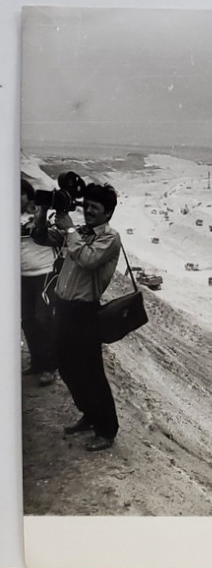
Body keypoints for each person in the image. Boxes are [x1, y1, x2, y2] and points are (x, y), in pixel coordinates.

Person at [32, 182, 122, 452]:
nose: (89, 212)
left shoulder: (109, 237)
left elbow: (87, 259)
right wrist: (43, 211)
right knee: (67, 366)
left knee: (92, 372)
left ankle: (106, 430)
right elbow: (41, 237)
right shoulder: (79, 232)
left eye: (95, 208)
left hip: (85, 312)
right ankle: (89, 415)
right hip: (64, 309)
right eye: (88, 206)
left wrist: (70, 228)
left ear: (108, 213)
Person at [20, 179, 57, 386]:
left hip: (45, 272)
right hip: (21, 275)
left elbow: (52, 231)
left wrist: (41, 212)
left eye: (20, 194)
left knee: (43, 318)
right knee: (27, 320)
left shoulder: (43, 212)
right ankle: (37, 362)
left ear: (28, 194)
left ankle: (51, 366)